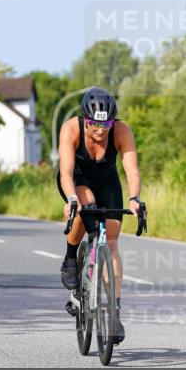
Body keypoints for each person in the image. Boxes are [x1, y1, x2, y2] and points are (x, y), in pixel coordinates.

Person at [57, 86, 144, 344]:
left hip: (107, 180)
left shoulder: (121, 130)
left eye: (105, 123)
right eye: (94, 123)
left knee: (112, 239)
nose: (100, 129)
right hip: (78, 179)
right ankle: (71, 256)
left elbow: (132, 171)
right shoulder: (71, 129)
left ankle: (115, 314)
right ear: (85, 119)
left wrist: (134, 199)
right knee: (87, 206)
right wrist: (71, 198)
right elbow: (65, 171)